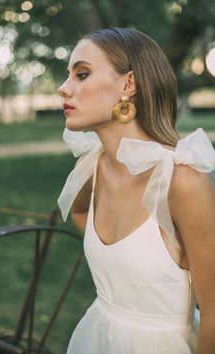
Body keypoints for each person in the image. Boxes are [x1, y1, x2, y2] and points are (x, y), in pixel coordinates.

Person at [58, 28, 215, 354]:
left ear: (128, 85)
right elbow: (77, 211)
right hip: (94, 338)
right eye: (68, 76)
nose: (64, 89)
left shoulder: (181, 180)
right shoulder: (92, 165)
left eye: (82, 74)